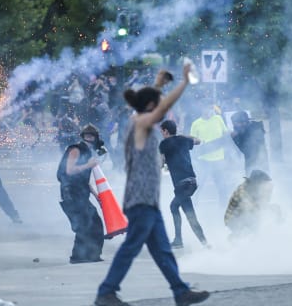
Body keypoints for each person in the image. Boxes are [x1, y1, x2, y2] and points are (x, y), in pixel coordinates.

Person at [94, 65, 210, 306]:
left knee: (163, 252)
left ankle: (180, 291)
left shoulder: (139, 121)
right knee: (131, 247)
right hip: (140, 201)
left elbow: (149, 103)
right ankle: (106, 292)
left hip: (148, 201)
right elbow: (161, 107)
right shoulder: (139, 125)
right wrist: (183, 83)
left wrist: (158, 83)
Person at [57, 123, 106, 264]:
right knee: (83, 224)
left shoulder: (87, 153)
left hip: (80, 192)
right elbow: (69, 171)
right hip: (71, 193)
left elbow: (85, 180)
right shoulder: (75, 150)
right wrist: (88, 165)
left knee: (93, 222)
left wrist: (97, 196)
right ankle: (78, 257)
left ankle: (91, 255)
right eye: (89, 137)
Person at [159, 119, 208, 249]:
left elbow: (161, 163)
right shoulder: (184, 140)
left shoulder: (164, 144)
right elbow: (198, 140)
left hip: (182, 184)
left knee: (176, 208)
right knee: (186, 211)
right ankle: (203, 243)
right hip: (192, 182)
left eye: (162, 131)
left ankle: (180, 240)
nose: (161, 134)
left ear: (166, 131)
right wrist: (182, 135)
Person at [190, 103, 230, 207]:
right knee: (197, 188)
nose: (208, 111)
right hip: (203, 161)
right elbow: (192, 141)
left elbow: (225, 135)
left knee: (222, 188)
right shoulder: (196, 123)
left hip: (219, 160)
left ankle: (224, 210)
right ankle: (193, 210)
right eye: (206, 108)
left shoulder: (218, 119)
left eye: (210, 108)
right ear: (201, 108)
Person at [224, 169, 279, 239]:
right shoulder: (243, 191)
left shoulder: (256, 189)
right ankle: (236, 237)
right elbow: (250, 208)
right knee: (253, 219)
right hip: (233, 219)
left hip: (246, 214)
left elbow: (262, 204)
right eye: (263, 184)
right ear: (257, 183)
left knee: (275, 209)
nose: (265, 187)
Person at [230, 110, 269, 175]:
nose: (234, 125)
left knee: (262, 181)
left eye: (236, 123)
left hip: (259, 162)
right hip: (250, 162)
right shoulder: (242, 129)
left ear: (244, 122)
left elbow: (246, 149)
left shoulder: (256, 129)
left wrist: (236, 137)